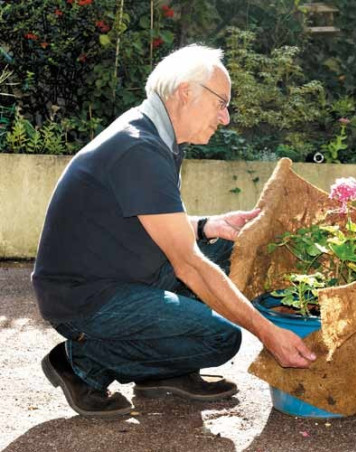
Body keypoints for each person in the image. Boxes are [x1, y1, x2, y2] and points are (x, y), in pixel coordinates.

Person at [32, 44, 316, 418]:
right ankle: (83, 363)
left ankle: (164, 371)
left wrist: (207, 225)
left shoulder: (158, 138)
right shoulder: (139, 149)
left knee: (227, 246)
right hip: (85, 299)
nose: (225, 117)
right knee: (221, 337)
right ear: (186, 91)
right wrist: (268, 332)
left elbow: (149, 219)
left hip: (121, 272)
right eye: (221, 103)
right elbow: (189, 266)